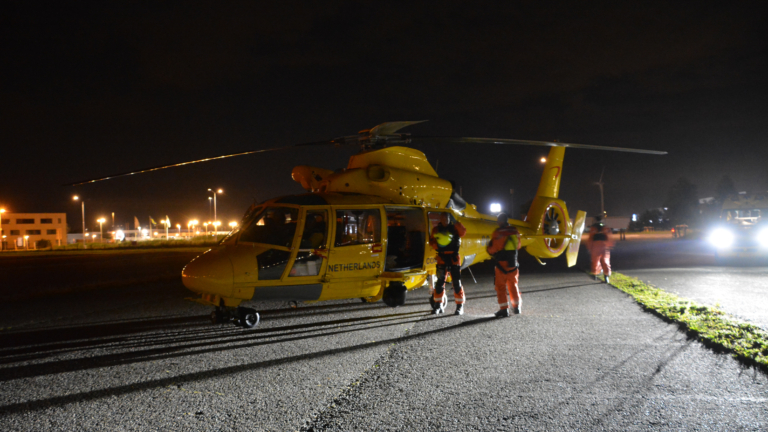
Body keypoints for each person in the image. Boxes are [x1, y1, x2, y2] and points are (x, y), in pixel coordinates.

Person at [428, 213, 467, 315]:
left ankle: (459, 306)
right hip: (442, 257)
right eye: (443, 218)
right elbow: (432, 241)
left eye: (447, 218)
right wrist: (439, 246)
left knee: (457, 283)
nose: (445, 220)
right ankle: (438, 305)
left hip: (454, 258)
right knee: (440, 283)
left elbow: (463, 232)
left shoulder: (455, 228)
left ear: (450, 219)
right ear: (440, 219)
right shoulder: (436, 230)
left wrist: (457, 222)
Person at [486, 212, 522, 317]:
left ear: (500, 221)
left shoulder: (498, 233)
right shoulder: (515, 231)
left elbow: (492, 249)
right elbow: (518, 245)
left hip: (502, 264)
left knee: (500, 287)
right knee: (513, 285)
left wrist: (489, 249)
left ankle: (504, 309)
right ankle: (516, 307)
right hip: (513, 264)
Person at [588, 215, 614, 283]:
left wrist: (590, 246)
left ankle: (602, 275)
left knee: (599, 261)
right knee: (600, 262)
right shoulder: (602, 227)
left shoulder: (595, 227)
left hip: (599, 245)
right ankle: (603, 274)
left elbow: (591, 237)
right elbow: (609, 236)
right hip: (601, 246)